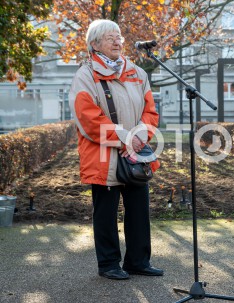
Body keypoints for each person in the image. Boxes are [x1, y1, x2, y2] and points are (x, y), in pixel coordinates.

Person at [69, 19, 164, 280]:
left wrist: (138, 138)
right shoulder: (86, 75)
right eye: (110, 37)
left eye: (119, 36)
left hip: (135, 153)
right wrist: (125, 140)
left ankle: (138, 262)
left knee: (139, 210)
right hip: (103, 156)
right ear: (95, 44)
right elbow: (88, 118)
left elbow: (150, 111)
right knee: (106, 212)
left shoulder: (137, 72)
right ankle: (109, 263)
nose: (117, 41)